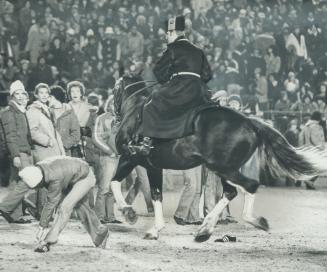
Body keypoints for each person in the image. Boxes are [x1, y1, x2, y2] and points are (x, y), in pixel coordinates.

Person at [130, 15, 213, 155]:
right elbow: (207, 75)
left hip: (180, 88)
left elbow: (159, 70)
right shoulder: (198, 50)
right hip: (199, 91)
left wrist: (169, 79)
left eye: (167, 34)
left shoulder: (173, 48)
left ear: (173, 33)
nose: (166, 37)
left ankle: (147, 141)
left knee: (151, 103)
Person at [18, 156, 110, 253]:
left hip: (84, 177)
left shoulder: (53, 177)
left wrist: (42, 227)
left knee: (64, 207)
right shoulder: (41, 170)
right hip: (74, 176)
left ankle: (49, 240)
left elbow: (50, 203)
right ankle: (100, 232)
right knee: (81, 207)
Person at [0, 80, 34, 224]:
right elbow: (10, 136)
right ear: (12, 96)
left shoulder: (20, 110)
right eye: (17, 93)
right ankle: (5, 207)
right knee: (26, 181)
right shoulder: (9, 112)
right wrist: (15, 155)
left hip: (24, 150)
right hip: (18, 152)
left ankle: (16, 215)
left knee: (17, 182)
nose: (20, 96)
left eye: (22, 93)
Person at [298, 111, 325, 190]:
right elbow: (315, 139)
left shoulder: (306, 126)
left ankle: (309, 183)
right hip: (315, 150)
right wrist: (322, 148)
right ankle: (310, 180)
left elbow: (301, 137)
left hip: (307, 149)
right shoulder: (316, 126)